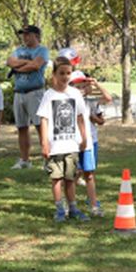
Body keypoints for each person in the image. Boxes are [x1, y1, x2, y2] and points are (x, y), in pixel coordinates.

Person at [37, 57, 90, 222]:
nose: (65, 77)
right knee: (56, 178)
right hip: (55, 146)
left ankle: (73, 207)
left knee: (70, 178)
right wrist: (44, 142)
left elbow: (80, 116)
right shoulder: (49, 95)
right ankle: (59, 208)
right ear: (54, 74)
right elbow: (44, 119)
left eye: (68, 73)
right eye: (62, 73)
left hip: (71, 144)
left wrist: (84, 137)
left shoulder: (74, 94)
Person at [6, 25, 50, 170]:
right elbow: (10, 62)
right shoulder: (19, 50)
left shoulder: (42, 50)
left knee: (40, 126)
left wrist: (18, 68)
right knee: (22, 127)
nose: (24, 37)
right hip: (19, 92)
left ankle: (47, 159)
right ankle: (25, 160)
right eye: (23, 35)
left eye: (27, 34)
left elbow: (36, 66)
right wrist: (26, 63)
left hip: (35, 92)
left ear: (36, 36)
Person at [70, 70, 112, 217]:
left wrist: (97, 84)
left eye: (84, 85)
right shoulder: (68, 102)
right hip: (73, 143)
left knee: (89, 174)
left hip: (90, 142)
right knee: (72, 174)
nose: (82, 89)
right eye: (78, 86)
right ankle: (70, 203)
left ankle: (93, 205)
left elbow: (108, 98)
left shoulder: (91, 102)